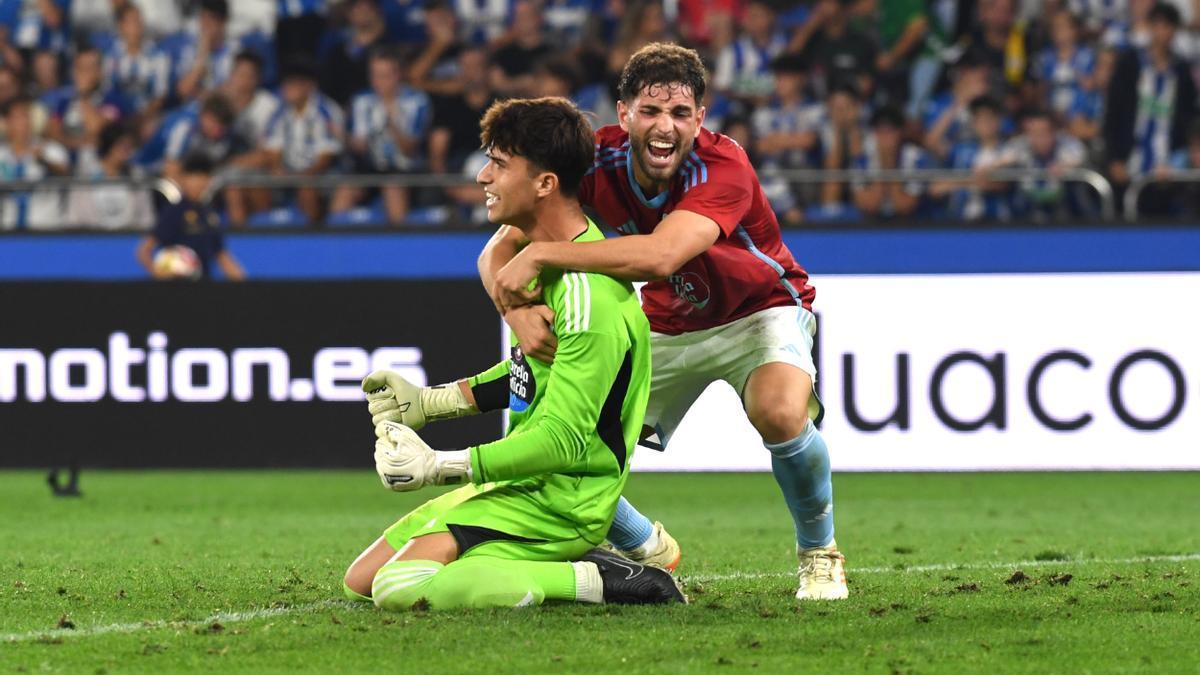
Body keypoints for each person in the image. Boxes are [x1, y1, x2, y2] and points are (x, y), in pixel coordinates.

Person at [481, 43, 849, 600]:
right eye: (650, 111)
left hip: (760, 309)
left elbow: (660, 257)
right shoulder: (595, 160)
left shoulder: (723, 166)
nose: (664, 126)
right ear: (624, 113)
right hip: (667, 319)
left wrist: (540, 256)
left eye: (680, 113)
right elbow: (496, 252)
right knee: (560, 434)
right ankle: (645, 545)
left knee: (779, 412)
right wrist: (515, 310)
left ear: (699, 118)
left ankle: (820, 554)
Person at [343, 96, 683, 611]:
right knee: (361, 580)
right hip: (523, 482)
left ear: (544, 183)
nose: (483, 176)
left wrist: (441, 465)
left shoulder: (587, 298)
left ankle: (597, 578)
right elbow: (534, 372)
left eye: (499, 164)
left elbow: (563, 442)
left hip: (561, 502)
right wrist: (433, 403)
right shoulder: (541, 261)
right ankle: (566, 559)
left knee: (399, 587)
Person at [136, 154, 245, 280]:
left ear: (209, 181)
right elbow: (144, 250)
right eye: (193, 177)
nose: (198, 183)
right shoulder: (174, 212)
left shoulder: (210, 214)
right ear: (183, 179)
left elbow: (221, 255)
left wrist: (242, 281)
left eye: (202, 177)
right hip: (177, 285)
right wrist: (160, 274)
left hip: (203, 284)